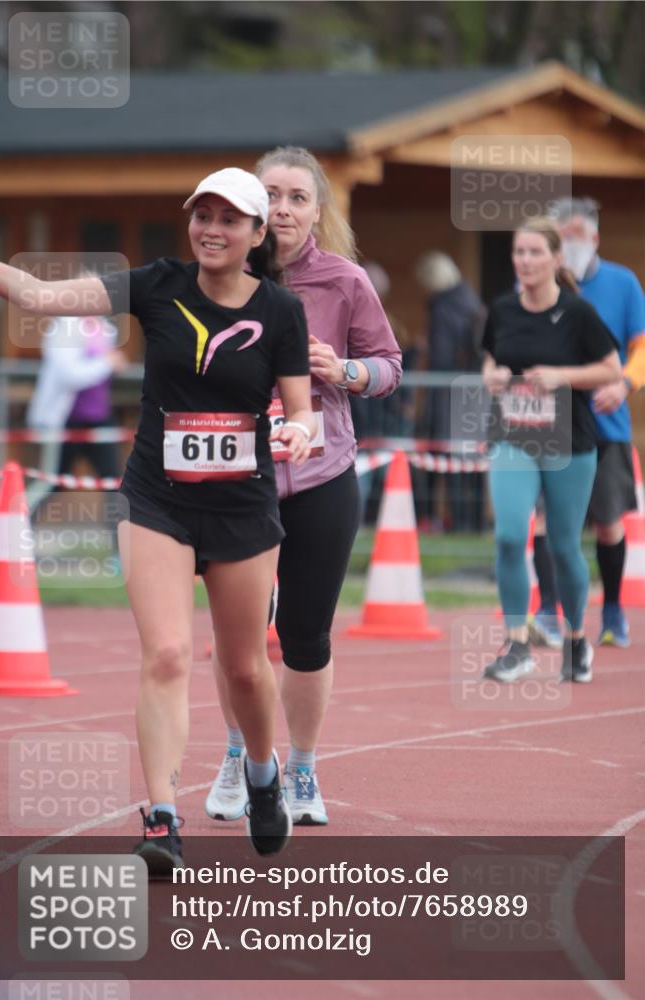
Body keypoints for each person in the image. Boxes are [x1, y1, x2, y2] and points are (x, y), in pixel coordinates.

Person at [0, 167, 316, 871]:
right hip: (156, 498)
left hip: (241, 505)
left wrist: (300, 433)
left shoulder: (281, 310)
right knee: (165, 654)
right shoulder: (156, 283)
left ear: (257, 234)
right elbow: (39, 297)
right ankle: (162, 816)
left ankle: (261, 776)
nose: (211, 230)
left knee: (245, 669)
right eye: (201, 216)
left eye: (228, 220)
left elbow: (300, 407)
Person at [206, 146, 402, 826]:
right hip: (237, 475)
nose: (283, 208)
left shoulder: (343, 281)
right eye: (272, 195)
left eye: (296, 197)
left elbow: (389, 367)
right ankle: (237, 756)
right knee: (239, 636)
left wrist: (343, 371)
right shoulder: (221, 273)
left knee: (305, 634)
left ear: (317, 210)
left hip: (321, 472)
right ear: (250, 205)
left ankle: (303, 771)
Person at [481, 217, 621, 684]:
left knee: (563, 546)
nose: (525, 261)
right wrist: (495, 377)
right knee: (507, 535)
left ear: (556, 259)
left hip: (569, 440)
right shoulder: (502, 309)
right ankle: (517, 644)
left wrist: (563, 377)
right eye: (519, 252)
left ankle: (578, 638)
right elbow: (490, 362)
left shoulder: (578, 314)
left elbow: (610, 369)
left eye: (535, 252)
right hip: (514, 434)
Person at [529, 197, 645, 649]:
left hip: (605, 422)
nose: (567, 246)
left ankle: (613, 610)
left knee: (607, 523)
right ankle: (549, 612)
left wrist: (626, 384)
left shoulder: (622, 283)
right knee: (545, 519)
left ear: (594, 238)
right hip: (550, 422)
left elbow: (641, 347)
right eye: (560, 238)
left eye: (575, 237)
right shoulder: (542, 284)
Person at [26, 308, 127, 519]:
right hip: (65, 422)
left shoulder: (106, 330)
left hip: (99, 420)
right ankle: (15, 535)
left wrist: (113, 364)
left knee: (115, 486)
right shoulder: (62, 329)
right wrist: (107, 363)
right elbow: (70, 375)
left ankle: (121, 549)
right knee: (49, 484)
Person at [415, 252, 486, 532]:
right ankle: (475, 522)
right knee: (473, 461)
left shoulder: (443, 308)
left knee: (444, 457)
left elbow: (442, 357)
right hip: (474, 393)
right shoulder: (471, 301)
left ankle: (450, 521)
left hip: (446, 394)